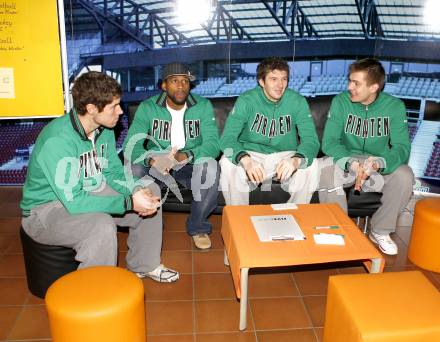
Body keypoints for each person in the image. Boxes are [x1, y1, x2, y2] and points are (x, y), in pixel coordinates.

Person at [20, 71, 179, 283]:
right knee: (101, 225)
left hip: (88, 190)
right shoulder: (57, 140)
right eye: (114, 106)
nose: (120, 111)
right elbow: (74, 202)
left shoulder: (103, 129)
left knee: (151, 190)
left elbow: (112, 171)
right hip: (46, 211)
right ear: (92, 109)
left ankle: (144, 264)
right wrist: (128, 202)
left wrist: (134, 191)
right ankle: (97, 291)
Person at [318, 58, 414, 255]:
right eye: (349, 81)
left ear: (374, 87)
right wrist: (350, 162)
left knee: (405, 175)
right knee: (326, 169)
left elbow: (402, 147)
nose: (349, 87)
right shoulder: (341, 101)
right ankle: (338, 230)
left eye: (356, 83)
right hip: (347, 158)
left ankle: (380, 231)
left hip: (376, 162)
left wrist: (379, 163)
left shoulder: (395, 106)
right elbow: (329, 142)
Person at [123, 62, 220, 250]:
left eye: (185, 81)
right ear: (164, 85)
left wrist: (185, 155)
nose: (181, 86)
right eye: (175, 81)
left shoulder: (202, 105)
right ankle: (147, 224)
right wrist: (153, 160)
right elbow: (130, 144)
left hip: (188, 163)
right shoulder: (148, 107)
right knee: (133, 167)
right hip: (156, 162)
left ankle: (198, 226)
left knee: (210, 167)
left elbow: (213, 144)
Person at [219, 57, 320, 205]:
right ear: (261, 81)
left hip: (284, 156)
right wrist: (246, 160)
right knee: (227, 162)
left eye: (284, 79)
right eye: (273, 79)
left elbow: (311, 140)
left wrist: (296, 160)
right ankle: (239, 217)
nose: (280, 85)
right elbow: (227, 139)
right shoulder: (247, 100)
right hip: (252, 155)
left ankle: (295, 214)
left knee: (312, 164)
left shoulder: (297, 101)